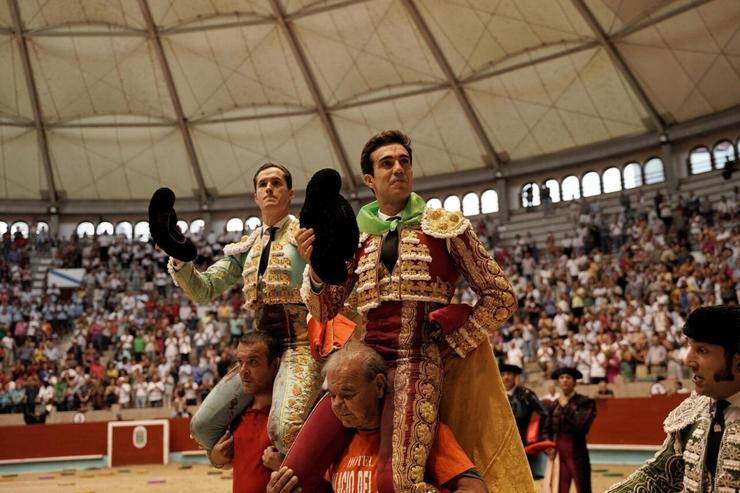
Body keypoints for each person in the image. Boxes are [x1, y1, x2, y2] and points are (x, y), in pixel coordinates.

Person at [296, 130, 532, 492]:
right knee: (292, 470)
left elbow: (501, 296)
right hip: (363, 363)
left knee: (400, 481)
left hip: (416, 361)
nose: (398, 169)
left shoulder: (444, 228)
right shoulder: (354, 237)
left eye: (404, 161)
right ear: (370, 180)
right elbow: (326, 308)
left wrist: (452, 344)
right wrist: (314, 267)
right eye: (387, 163)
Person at [167, 163, 323, 457]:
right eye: (263, 184)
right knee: (202, 426)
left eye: (276, 183)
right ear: (255, 196)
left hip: (302, 346)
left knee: (287, 428)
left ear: (290, 194)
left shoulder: (305, 236)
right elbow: (204, 289)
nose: (269, 188)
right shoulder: (248, 246)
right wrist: (179, 259)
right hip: (261, 353)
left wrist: (316, 262)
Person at [267, 343, 487, 492]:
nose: (337, 405)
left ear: (379, 386)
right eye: (332, 396)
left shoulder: (420, 432)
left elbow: (474, 487)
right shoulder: (336, 442)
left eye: (348, 394)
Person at [606, 305, 740, 492]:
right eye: (689, 347)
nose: (688, 361)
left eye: (702, 350)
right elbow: (656, 476)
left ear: (737, 361)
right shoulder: (695, 410)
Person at [208, 332, 284, 492]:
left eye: (253, 362)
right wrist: (216, 457)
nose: (243, 371)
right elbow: (227, 461)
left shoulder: (290, 417)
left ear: (275, 365)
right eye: (240, 362)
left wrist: (286, 467)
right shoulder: (235, 414)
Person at [542, 367, 597, 493]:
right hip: (558, 455)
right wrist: (547, 446)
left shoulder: (585, 402)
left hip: (578, 453)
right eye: (561, 378)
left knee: (583, 489)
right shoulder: (554, 404)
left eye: (568, 377)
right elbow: (546, 429)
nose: (564, 380)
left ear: (575, 382)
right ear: (558, 382)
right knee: (559, 489)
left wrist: (565, 406)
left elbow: (582, 425)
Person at [501, 363, 548, 479]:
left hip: (522, 441)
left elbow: (544, 413)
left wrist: (539, 433)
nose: (506, 377)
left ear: (515, 377)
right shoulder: (497, 394)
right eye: (503, 374)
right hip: (501, 441)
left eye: (509, 374)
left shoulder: (526, 394)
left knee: (523, 477)